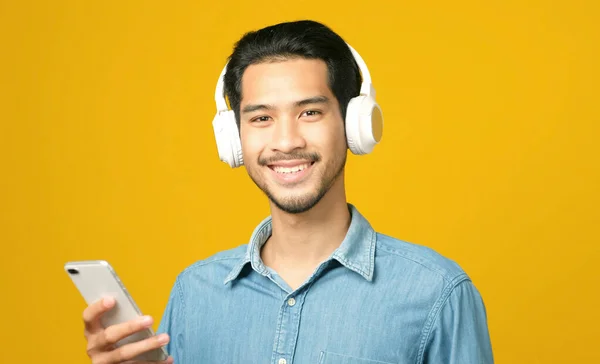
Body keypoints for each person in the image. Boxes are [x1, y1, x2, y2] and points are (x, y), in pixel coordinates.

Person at [80, 20, 494, 364]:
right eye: (261, 118)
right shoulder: (194, 293)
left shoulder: (437, 293)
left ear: (355, 124)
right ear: (234, 138)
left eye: (310, 112)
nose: (286, 141)